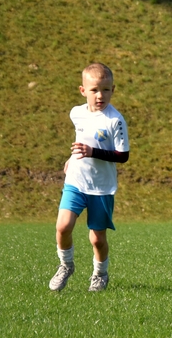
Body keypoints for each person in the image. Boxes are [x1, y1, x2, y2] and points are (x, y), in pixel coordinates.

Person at [50, 63, 130, 293]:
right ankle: (66, 265)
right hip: (76, 180)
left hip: (101, 187)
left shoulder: (115, 121)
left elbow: (123, 155)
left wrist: (91, 152)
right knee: (63, 226)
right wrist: (72, 157)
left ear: (113, 89)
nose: (100, 95)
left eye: (105, 90)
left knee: (97, 240)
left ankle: (100, 274)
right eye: (94, 90)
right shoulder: (76, 113)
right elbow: (82, 138)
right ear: (83, 90)